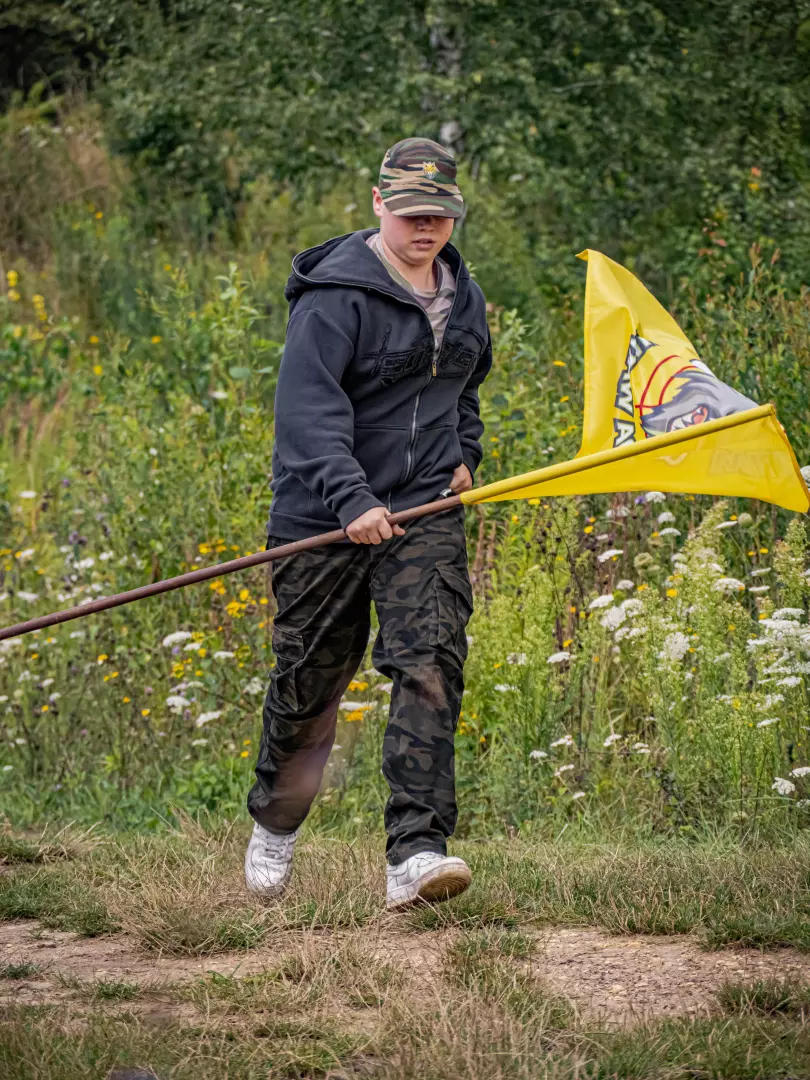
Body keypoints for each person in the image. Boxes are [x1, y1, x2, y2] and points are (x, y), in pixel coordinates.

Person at [244, 137, 492, 909]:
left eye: (439, 214)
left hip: (423, 509)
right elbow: (306, 414)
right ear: (379, 204)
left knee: (429, 661)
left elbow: (464, 385)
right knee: (310, 683)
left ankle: (416, 853)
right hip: (323, 515)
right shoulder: (334, 297)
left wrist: (465, 453)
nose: (426, 228)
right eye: (411, 212)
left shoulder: (464, 294)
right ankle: (275, 823)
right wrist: (352, 500)